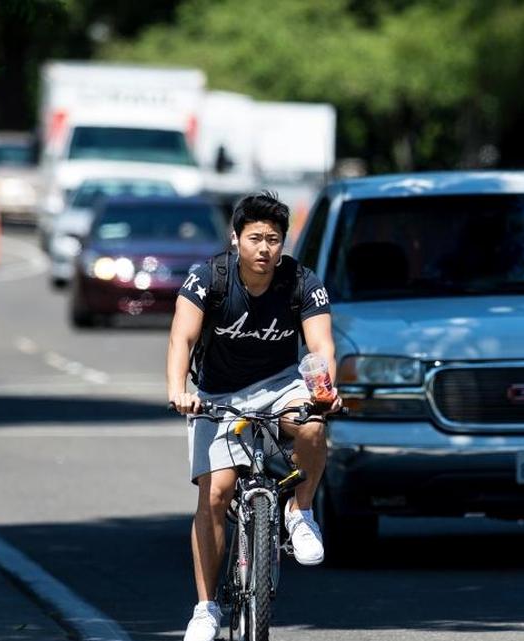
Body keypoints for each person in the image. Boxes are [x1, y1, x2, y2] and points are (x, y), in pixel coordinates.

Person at [166, 191, 342, 641]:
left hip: (281, 384)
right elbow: (181, 339)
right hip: (217, 394)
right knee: (216, 494)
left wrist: (324, 392)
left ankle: (300, 512)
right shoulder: (209, 279)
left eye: (274, 239)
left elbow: (321, 346)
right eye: (256, 238)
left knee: (311, 426)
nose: (265, 248)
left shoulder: (302, 281)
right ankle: (206, 609)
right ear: (236, 239)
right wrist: (178, 392)